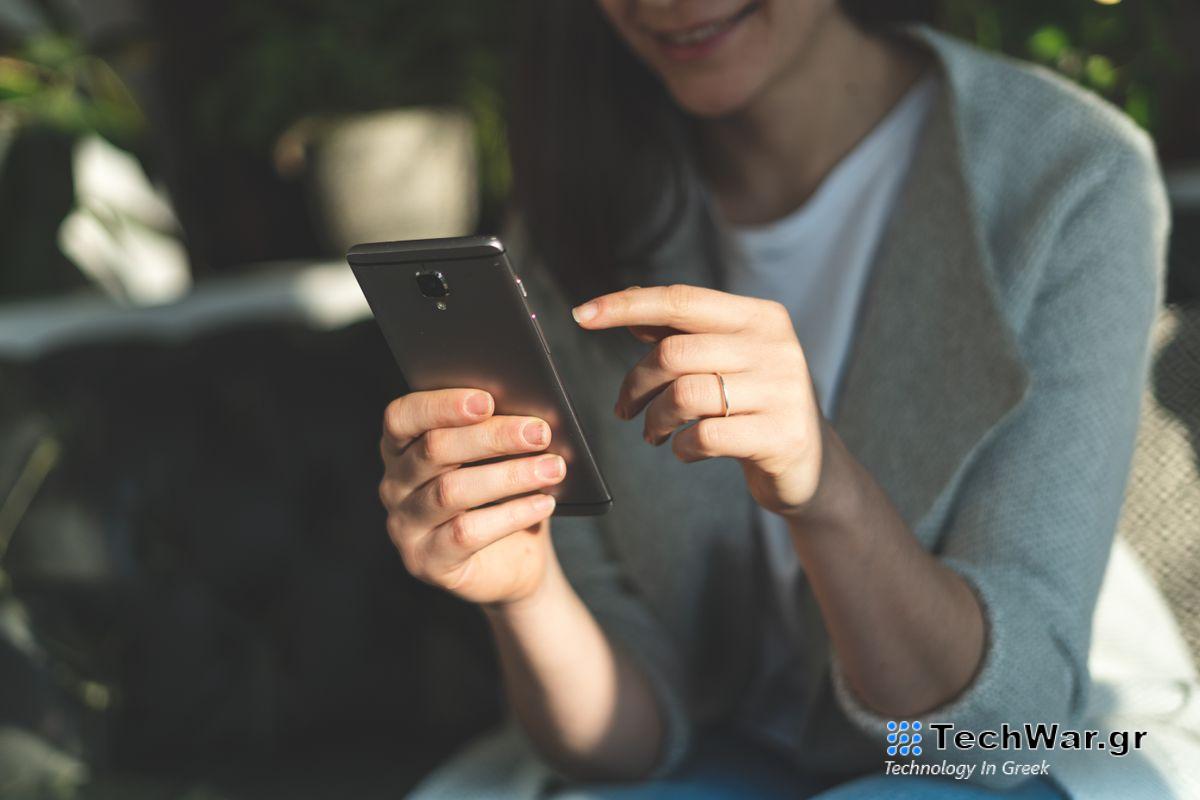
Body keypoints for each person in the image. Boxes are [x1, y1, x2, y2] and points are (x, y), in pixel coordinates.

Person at [378, 1, 1169, 797]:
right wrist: (525, 592)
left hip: (985, 747)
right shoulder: (575, 212)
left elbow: (995, 736)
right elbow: (627, 746)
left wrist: (825, 487)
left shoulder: (1069, 177)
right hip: (722, 749)